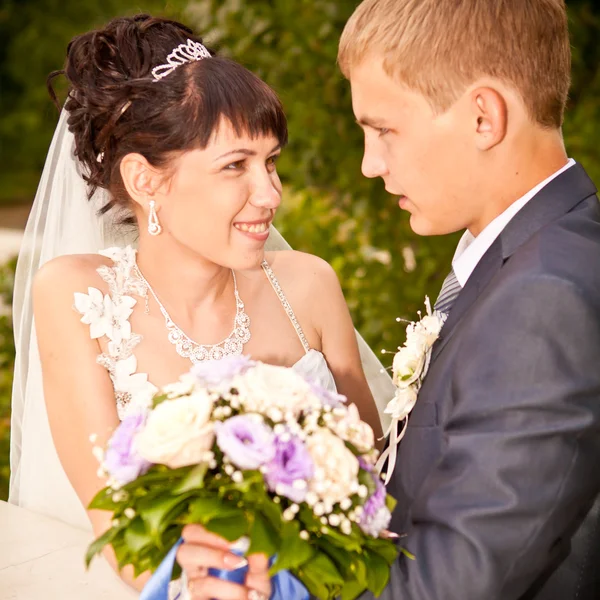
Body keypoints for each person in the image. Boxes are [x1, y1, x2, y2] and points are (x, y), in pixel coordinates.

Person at [183, 0, 600, 599]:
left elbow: (452, 584)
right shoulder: (527, 258)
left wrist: (278, 591)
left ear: (484, 117)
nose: (369, 164)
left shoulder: (543, 298)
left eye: (382, 130)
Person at [8, 14, 395, 596]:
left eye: (271, 161)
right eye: (234, 165)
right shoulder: (76, 296)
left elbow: (377, 478)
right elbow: (112, 520)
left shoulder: (310, 285)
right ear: (144, 180)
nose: (269, 194)